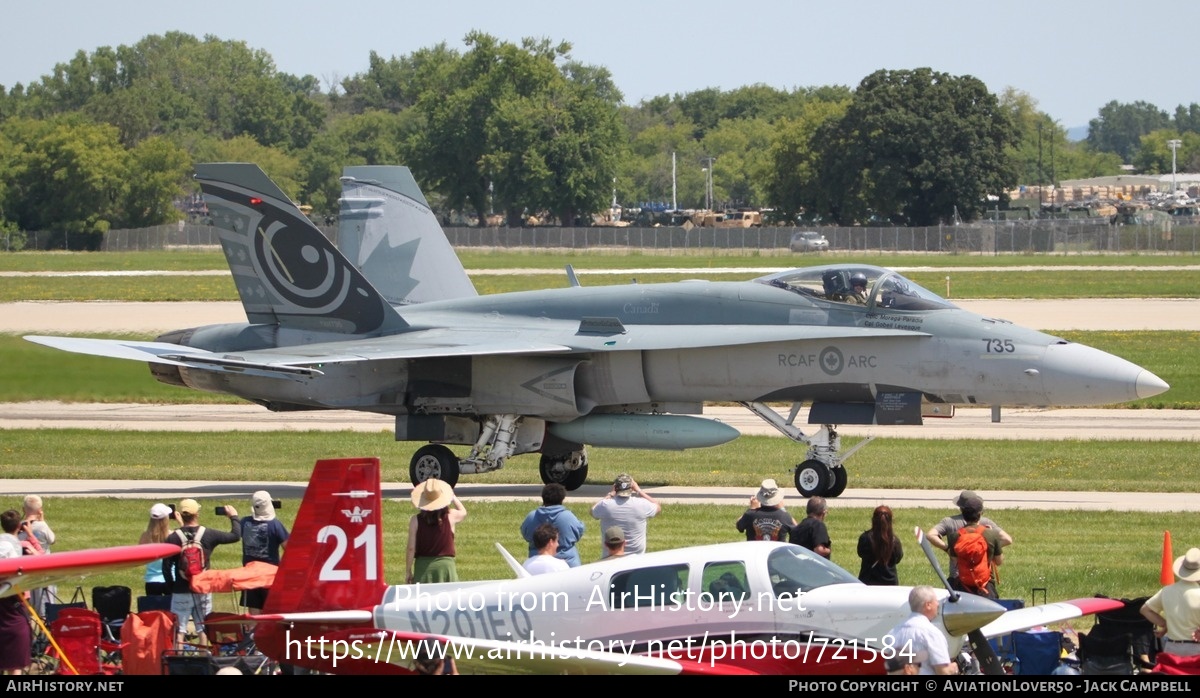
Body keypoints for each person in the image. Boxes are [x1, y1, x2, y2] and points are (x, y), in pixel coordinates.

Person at [163, 498, 241, 648]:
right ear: (197, 514)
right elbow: (235, 536)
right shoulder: (208, 534)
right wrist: (234, 517)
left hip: (181, 589)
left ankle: (179, 661)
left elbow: (166, 567)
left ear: (180, 514)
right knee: (203, 627)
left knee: (180, 629)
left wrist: (172, 587)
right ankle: (204, 659)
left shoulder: (172, 538)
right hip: (203, 588)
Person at [927, 490, 1012, 587]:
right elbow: (1007, 539)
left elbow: (930, 535)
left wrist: (947, 548)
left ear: (961, 508)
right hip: (983, 579)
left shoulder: (949, 522)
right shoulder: (986, 523)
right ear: (979, 511)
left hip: (958, 578)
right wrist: (988, 547)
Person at [1140, 547, 1200, 658]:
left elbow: (1145, 609)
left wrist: (1165, 624)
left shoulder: (1167, 590)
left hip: (1172, 649)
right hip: (1196, 650)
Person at [885, 585, 958, 675]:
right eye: (936, 601)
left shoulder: (892, 633)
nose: (938, 604)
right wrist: (953, 668)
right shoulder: (932, 633)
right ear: (928, 605)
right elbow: (943, 672)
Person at [407, 479, 467, 584]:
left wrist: (408, 571)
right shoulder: (451, 516)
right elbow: (463, 512)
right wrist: (453, 497)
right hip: (446, 566)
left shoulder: (415, 520)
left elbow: (411, 548)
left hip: (423, 567)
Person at [239, 491, 289, 614]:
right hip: (270, 575)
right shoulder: (275, 525)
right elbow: (288, 548)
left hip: (249, 574)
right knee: (270, 610)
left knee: (254, 609)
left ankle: (253, 632)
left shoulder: (245, 522)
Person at [942, 498, 1003, 599]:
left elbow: (954, 559)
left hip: (963, 586)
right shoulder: (991, 534)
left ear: (963, 513)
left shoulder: (954, 536)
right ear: (980, 513)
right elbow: (999, 561)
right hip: (986, 587)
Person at [591, 473, 660, 558]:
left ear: (615, 488)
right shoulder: (641, 504)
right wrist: (639, 490)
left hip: (609, 559)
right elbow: (657, 506)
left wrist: (610, 494)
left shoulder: (605, 505)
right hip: (636, 560)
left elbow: (593, 510)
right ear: (631, 488)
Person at [520, 483, 585, 567]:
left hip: (537, 562)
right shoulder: (568, 517)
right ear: (562, 499)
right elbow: (579, 532)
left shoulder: (532, 517)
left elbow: (526, 534)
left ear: (543, 498)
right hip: (568, 564)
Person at [0, 511, 31, 675]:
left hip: (12, 598)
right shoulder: (19, 546)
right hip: (12, 601)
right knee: (14, 663)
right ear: (19, 526)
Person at [19, 495, 55, 619]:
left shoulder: (19, 527)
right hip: (43, 569)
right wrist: (43, 520)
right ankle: (45, 634)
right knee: (45, 605)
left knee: (29, 606)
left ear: (23, 509)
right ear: (40, 509)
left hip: (26, 570)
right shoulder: (42, 526)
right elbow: (52, 540)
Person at [857, 505, 903, 586]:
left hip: (868, 582)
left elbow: (860, 553)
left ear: (873, 520)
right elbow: (898, 559)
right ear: (890, 521)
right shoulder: (895, 541)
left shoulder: (865, 538)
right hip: (890, 584)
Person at [139, 503, 174, 596]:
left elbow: (140, 556)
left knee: (153, 609)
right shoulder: (172, 536)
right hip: (170, 578)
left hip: (152, 579)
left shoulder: (145, 536)